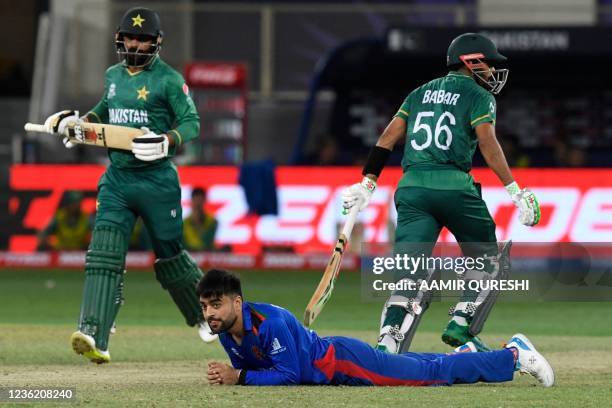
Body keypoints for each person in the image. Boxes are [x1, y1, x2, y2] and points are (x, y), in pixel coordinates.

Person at [340, 33, 542, 354]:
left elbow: (387, 138)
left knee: (409, 272)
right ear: (471, 62)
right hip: (454, 186)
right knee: (489, 259)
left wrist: (367, 182)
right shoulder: (479, 95)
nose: (491, 72)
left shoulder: (418, 93)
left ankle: (389, 340)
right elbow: (488, 143)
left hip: (412, 189)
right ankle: (461, 321)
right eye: (487, 64)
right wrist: (514, 190)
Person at [42, 7, 216, 364]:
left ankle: (205, 314)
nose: (136, 44)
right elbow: (102, 112)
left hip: (157, 181)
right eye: (131, 37)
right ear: (120, 39)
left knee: (170, 255)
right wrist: (75, 123)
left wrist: (167, 141)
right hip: (118, 180)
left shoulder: (168, 80)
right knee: (104, 253)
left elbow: (192, 122)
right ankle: (94, 334)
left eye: (144, 39)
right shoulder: (112, 76)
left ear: (156, 43)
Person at [198, 269, 554, 387]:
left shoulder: (268, 322)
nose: (210, 313)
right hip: (336, 365)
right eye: (205, 307)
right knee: (422, 365)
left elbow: (289, 375)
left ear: (237, 302)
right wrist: (239, 372)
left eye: (216, 304)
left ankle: (512, 355)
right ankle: (469, 353)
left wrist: (239, 377)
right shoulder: (227, 330)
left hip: (344, 362)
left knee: (430, 375)